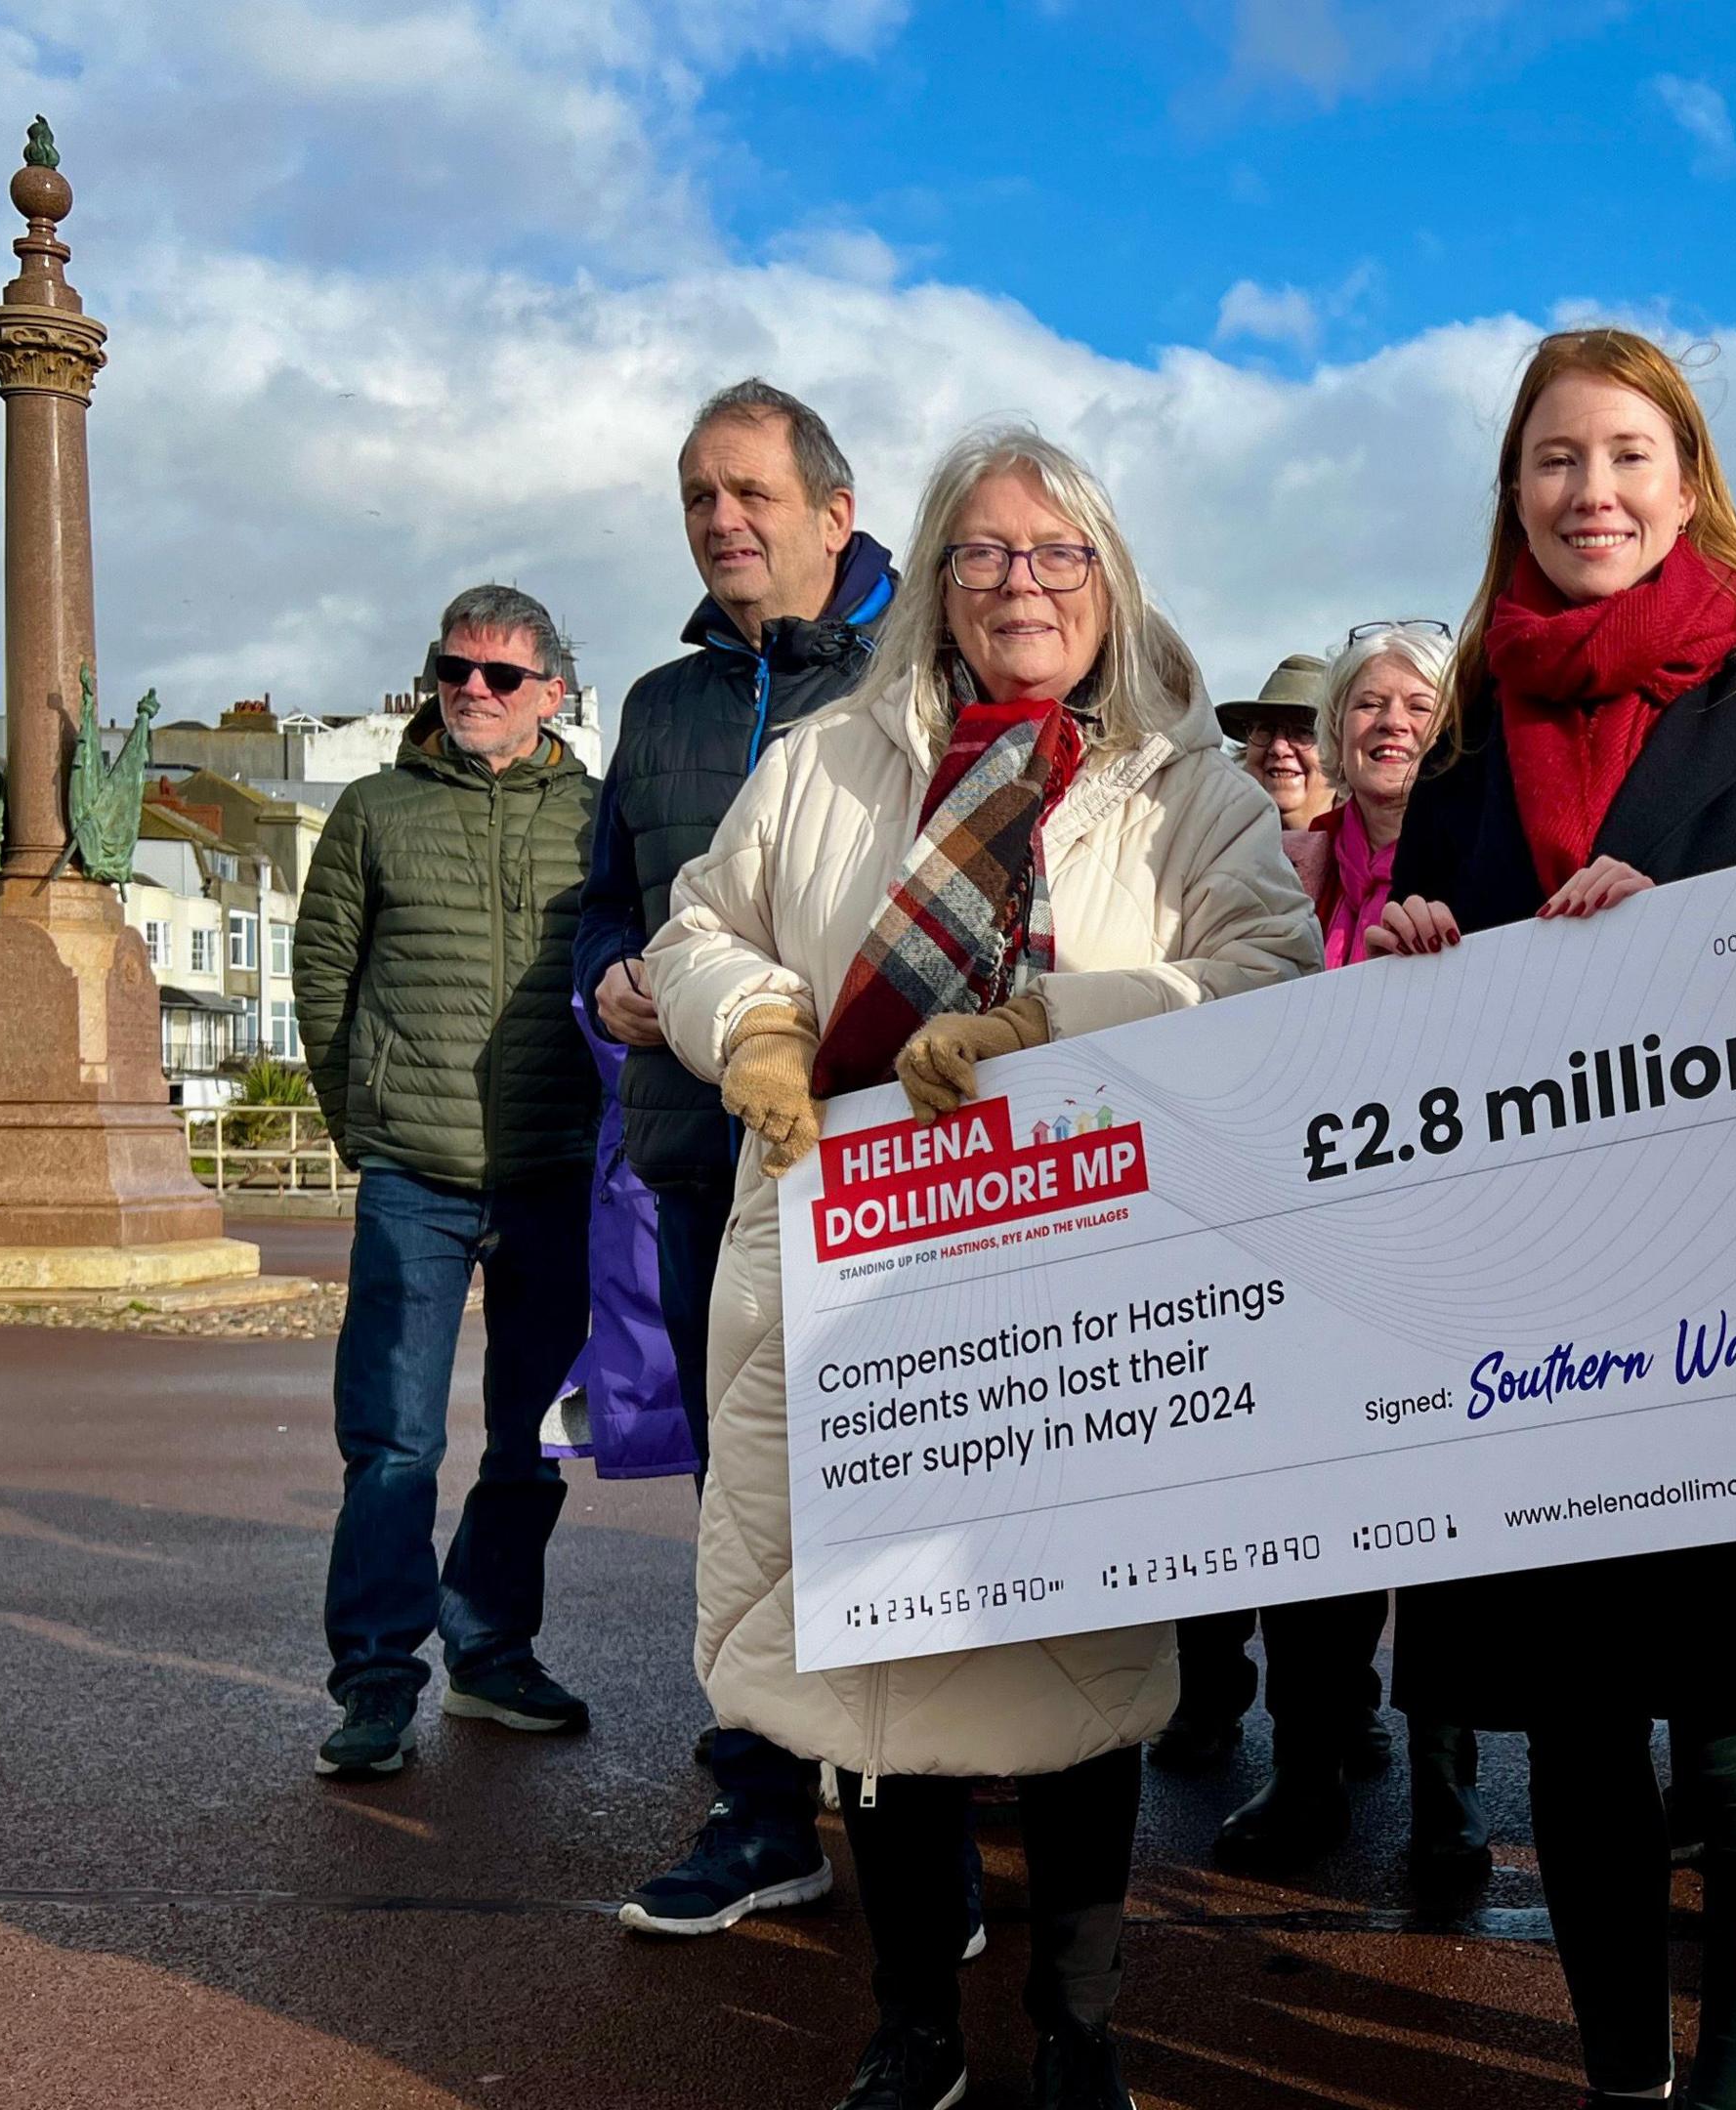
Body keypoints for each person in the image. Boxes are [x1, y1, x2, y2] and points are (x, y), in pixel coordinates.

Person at [648, 425, 1320, 2110]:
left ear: (1109, 580)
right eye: (987, 553)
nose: (1023, 583)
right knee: (885, 1670)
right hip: (862, 1264)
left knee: (1081, 1685)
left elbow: (1268, 975)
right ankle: (916, 2025)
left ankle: (1079, 2040)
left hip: (1085, 1282)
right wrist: (759, 1023)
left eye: (1058, 553)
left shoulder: (1188, 785)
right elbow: (696, 926)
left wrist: (1047, 1027)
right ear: (936, 579)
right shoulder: (824, 763)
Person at [1372, 326, 1736, 2110]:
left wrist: (1688, 922)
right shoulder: (1461, 730)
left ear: (1690, 484)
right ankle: (1619, 2081)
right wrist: (1412, 960)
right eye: (1553, 461)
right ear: (1512, 492)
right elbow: (1418, 1005)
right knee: (1581, 1730)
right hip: (1526, 1304)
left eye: (1624, 457)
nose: (1588, 493)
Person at [572, 379, 898, 1937]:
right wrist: (609, 985)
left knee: (905, 1476)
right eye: (699, 496)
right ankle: (767, 1808)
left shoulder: (920, 679)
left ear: (835, 511)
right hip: (702, 1156)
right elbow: (602, 905)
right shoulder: (660, 707)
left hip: (885, 1157)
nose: (721, 522)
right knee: (747, 1502)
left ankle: (931, 1820)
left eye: (752, 493)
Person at [1166, 621, 1489, 1908]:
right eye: (1369, 704)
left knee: (1453, 1546)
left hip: (1452, 1241)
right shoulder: (1284, 861)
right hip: (1302, 1241)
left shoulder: (1487, 849)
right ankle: (1304, 1774)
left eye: (1417, 702)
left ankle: (1451, 1812)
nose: (1390, 722)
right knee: (1307, 1534)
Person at [300, 584, 604, 1781]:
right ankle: (376, 1682)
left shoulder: (599, 816)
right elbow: (323, 978)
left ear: (552, 694)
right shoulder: (373, 812)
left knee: (529, 1438)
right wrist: (363, 1126)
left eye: (501, 675)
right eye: (454, 668)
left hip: (554, 1173)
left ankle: (490, 1650)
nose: (473, 690)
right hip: (413, 1178)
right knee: (391, 1443)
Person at [1219, 652, 1334, 830]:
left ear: (1342, 756)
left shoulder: (1384, 848)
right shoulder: (1210, 843)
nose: (1279, 747)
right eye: (1266, 729)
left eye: (1304, 731)